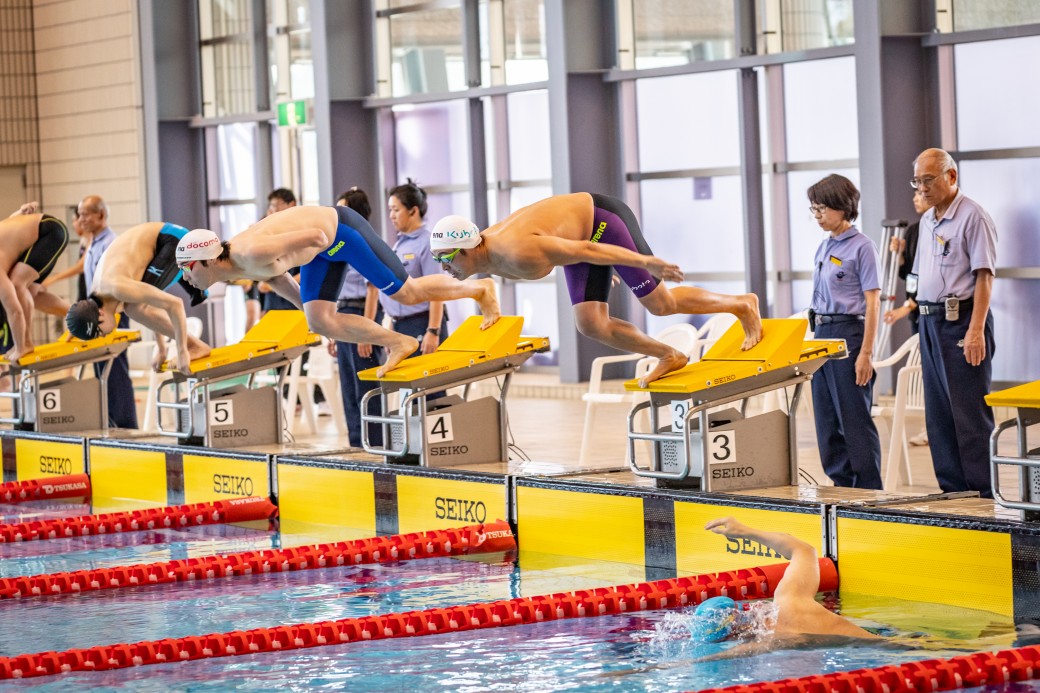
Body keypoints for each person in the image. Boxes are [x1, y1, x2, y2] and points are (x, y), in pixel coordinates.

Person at [429, 192, 763, 386]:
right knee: (590, 323)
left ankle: (742, 304)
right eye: (437, 259)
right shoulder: (486, 256)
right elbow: (569, 252)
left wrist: (645, 263)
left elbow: (588, 249)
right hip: (576, 240)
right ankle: (669, 355)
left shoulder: (517, 251)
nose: (443, 267)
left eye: (446, 258)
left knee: (661, 304)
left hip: (602, 224)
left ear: (469, 249)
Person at [174, 205, 500, 378]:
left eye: (186, 269)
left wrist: (311, 250)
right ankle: (399, 342)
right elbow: (278, 277)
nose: (185, 278)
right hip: (320, 253)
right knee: (319, 321)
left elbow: (316, 236)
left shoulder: (249, 252)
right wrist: (311, 311)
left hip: (341, 232)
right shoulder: (236, 267)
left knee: (406, 293)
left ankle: (479, 289)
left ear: (206, 261)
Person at [904, 148, 997, 498]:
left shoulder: (973, 217)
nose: (922, 188)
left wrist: (976, 330)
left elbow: (985, 277)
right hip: (930, 322)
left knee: (968, 413)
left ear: (951, 176)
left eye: (928, 180)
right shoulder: (928, 220)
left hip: (962, 322)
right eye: (917, 181)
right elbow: (920, 276)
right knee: (939, 415)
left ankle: (982, 494)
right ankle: (953, 491)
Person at [691, 516, 880, 650]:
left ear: (729, 637)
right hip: (890, 645)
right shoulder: (789, 599)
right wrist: (746, 531)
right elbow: (804, 550)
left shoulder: (766, 644)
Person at [806, 175, 882, 489]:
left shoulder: (862, 247)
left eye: (822, 208)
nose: (817, 215)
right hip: (821, 333)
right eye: (813, 209)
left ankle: (868, 490)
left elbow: (873, 302)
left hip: (848, 333)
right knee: (826, 421)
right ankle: (841, 486)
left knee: (853, 419)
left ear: (843, 206)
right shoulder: (824, 246)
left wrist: (866, 354)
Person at [63, 222, 211, 374]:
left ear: (100, 314)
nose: (104, 336)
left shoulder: (116, 288)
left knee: (134, 308)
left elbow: (175, 304)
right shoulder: (103, 295)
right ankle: (191, 344)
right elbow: (149, 304)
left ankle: (195, 347)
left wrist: (182, 352)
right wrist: (161, 349)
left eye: (99, 332)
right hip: (163, 242)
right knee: (134, 307)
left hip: (173, 240)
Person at [52, 196, 139, 428]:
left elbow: (110, 286)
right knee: (103, 369)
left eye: (85, 214)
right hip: (97, 312)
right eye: (79, 214)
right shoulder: (93, 243)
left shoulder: (110, 243)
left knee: (115, 369)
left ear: (100, 215)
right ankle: (112, 421)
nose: (81, 219)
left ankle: (125, 424)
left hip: (112, 313)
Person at [380, 181, 450, 403]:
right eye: (390, 210)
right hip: (402, 325)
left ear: (413, 211)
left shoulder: (426, 243)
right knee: (410, 392)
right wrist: (392, 325)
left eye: (396, 209)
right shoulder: (400, 244)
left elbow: (437, 290)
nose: (391, 215)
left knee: (430, 391)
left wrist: (433, 330)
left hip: (422, 323)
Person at [332, 187, 385, 447]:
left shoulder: (365, 242)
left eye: (343, 209)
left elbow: (373, 290)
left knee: (366, 383)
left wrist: (368, 331)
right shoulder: (341, 244)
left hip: (361, 312)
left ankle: (373, 442)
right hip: (343, 312)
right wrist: (332, 329)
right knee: (348, 384)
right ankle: (356, 442)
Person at [883, 189, 930, 447]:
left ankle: (936, 428)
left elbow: (929, 276)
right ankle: (931, 427)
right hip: (916, 309)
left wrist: (908, 306)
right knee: (925, 371)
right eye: (914, 193)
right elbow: (909, 274)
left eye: (920, 194)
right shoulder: (913, 231)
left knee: (933, 372)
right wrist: (900, 254)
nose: (915, 198)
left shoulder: (937, 229)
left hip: (928, 309)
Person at [0, 202, 69, 363]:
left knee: (17, 285)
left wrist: (18, 347)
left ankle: (25, 344)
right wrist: (20, 212)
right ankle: (76, 316)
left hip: (50, 232)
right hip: (41, 235)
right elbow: (9, 227)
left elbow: (15, 312)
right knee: (30, 295)